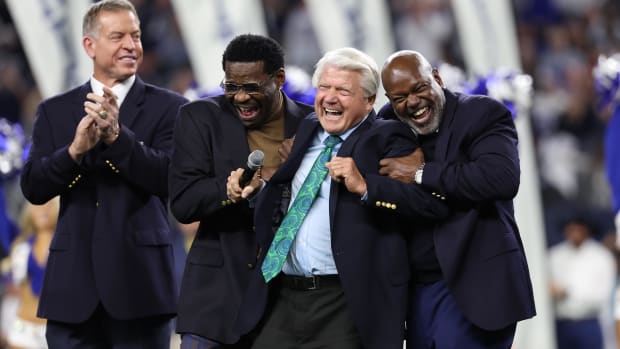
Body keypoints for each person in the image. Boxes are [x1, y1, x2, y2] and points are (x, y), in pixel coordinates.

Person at [229, 47, 450, 349]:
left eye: (343, 91)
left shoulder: (388, 137)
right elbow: (289, 193)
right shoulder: (308, 127)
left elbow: (427, 204)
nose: (330, 98)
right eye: (324, 87)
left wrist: (367, 186)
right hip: (283, 294)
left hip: (346, 301)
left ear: (370, 100)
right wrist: (256, 191)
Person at [19, 1, 188, 347]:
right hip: (71, 294)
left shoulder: (171, 108)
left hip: (140, 290)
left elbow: (171, 179)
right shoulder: (55, 110)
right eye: (118, 36)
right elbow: (34, 186)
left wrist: (117, 138)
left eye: (136, 36)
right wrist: (73, 153)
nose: (131, 44)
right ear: (89, 46)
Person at [378, 50, 536, 349]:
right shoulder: (388, 122)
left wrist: (422, 173)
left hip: (475, 287)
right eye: (399, 97)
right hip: (416, 292)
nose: (412, 102)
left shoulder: (482, 113)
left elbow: (500, 179)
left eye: (419, 88)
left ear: (436, 78)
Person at [168, 33, 314, 347]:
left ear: (279, 79)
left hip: (286, 304)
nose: (240, 97)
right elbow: (183, 202)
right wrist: (227, 191)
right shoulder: (199, 118)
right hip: (214, 303)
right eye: (231, 86)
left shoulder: (310, 125)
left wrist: (282, 179)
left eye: (251, 87)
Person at [549, 217, 616, 349]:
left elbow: (603, 295)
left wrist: (568, 293)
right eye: (571, 228)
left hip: (588, 324)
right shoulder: (554, 255)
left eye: (578, 228)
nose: (574, 232)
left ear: (586, 230)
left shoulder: (601, 257)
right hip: (562, 324)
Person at [5, 197, 59, 349]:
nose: (43, 210)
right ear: (30, 212)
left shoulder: (67, 247)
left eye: (49, 206)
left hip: (57, 330)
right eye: (38, 206)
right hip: (25, 328)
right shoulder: (21, 248)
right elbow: (19, 288)